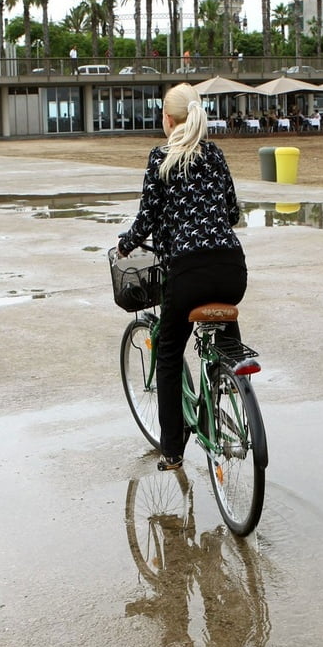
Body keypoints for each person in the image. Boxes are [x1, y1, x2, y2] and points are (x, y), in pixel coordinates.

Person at [116, 83, 247, 472]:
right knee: (224, 332)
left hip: (187, 274)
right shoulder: (215, 154)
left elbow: (147, 219)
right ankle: (229, 380)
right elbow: (232, 212)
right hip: (231, 271)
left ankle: (172, 449)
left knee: (169, 353)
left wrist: (126, 245)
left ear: (168, 120)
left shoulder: (161, 157)